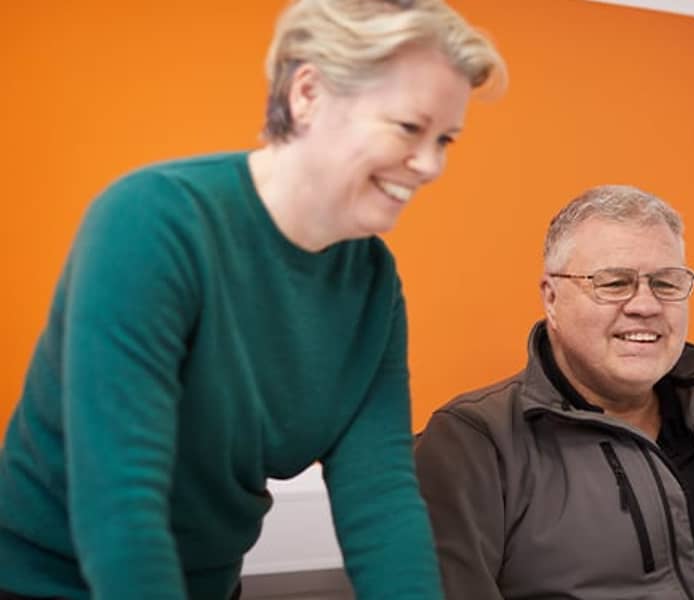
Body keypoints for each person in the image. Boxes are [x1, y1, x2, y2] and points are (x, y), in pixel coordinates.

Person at [0, 1, 507, 598]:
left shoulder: (371, 283)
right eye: (408, 128)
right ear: (308, 94)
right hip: (47, 580)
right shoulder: (152, 223)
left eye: (445, 139)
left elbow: (381, 500)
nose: (431, 164)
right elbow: (120, 500)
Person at [415, 185, 694, 600]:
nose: (646, 305)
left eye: (666, 284)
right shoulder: (474, 442)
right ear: (551, 298)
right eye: (614, 283)